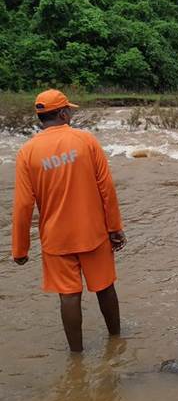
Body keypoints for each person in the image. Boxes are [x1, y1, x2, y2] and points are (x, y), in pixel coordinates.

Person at [12, 89, 126, 352]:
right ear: (63, 113)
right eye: (69, 111)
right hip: (93, 233)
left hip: (56, 239)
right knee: (105, 288)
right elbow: (107, 188)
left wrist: (20, 248)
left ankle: (76, 357)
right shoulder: (86, 140)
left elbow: (23, 205)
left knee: (69, 296)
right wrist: (115, 228)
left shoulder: (27, 152)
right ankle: (116, 342)